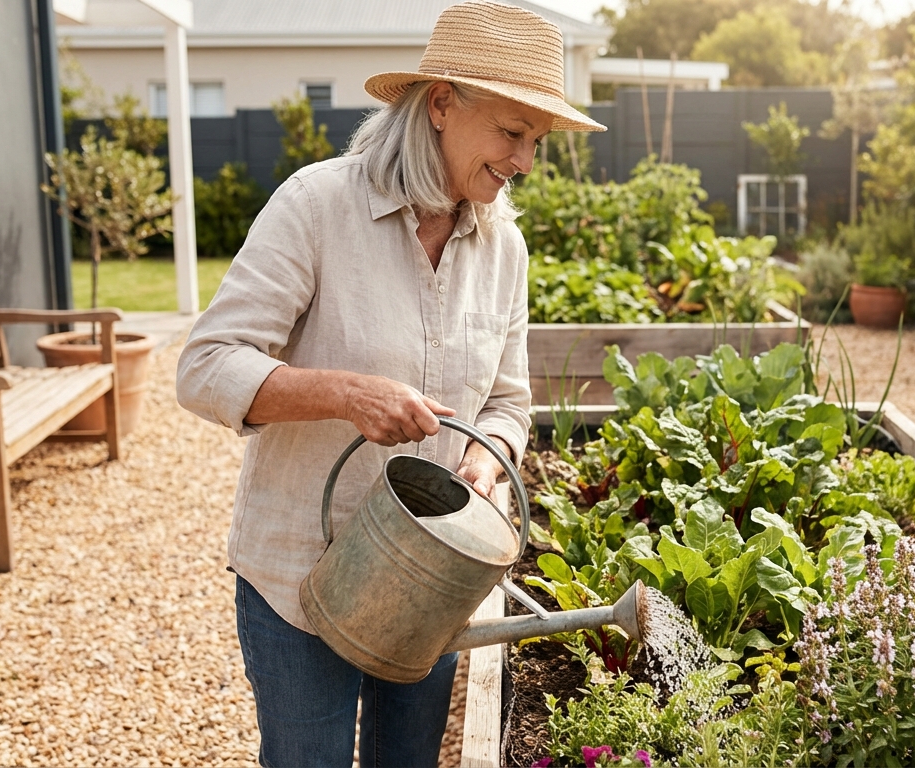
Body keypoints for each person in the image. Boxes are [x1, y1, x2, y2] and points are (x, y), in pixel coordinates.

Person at [174, 2, 605, 765]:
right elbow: (206, 366)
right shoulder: (317, 205)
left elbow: (508, 401)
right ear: (440, 104)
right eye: (511, 132)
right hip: (299, 578)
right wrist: (347, 394)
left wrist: (487, 465)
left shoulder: (504, 246)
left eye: (536, 141)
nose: (526, 162)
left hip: (431, 577)